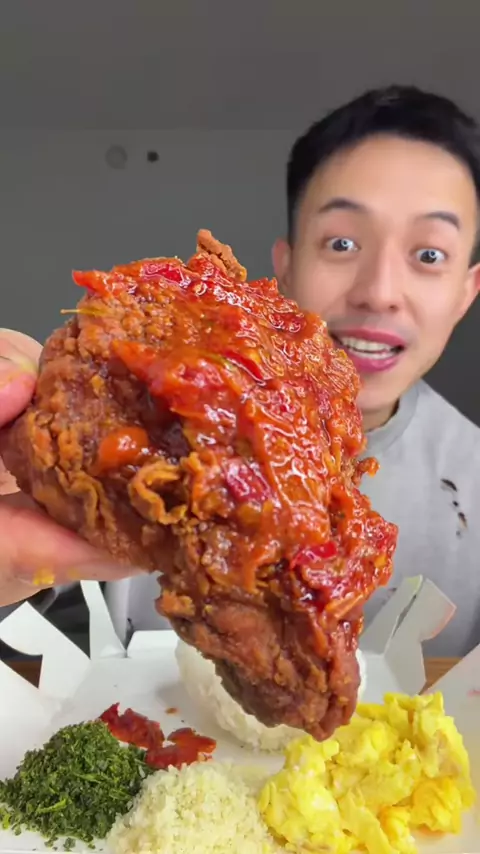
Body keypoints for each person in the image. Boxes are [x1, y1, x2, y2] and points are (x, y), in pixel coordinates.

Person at [1, 85, 480, 656]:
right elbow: (39, 642)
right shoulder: (145, 418)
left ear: (467, 291)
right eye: (341, 243)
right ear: (286, 267)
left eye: (429, 255)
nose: (380, 292)